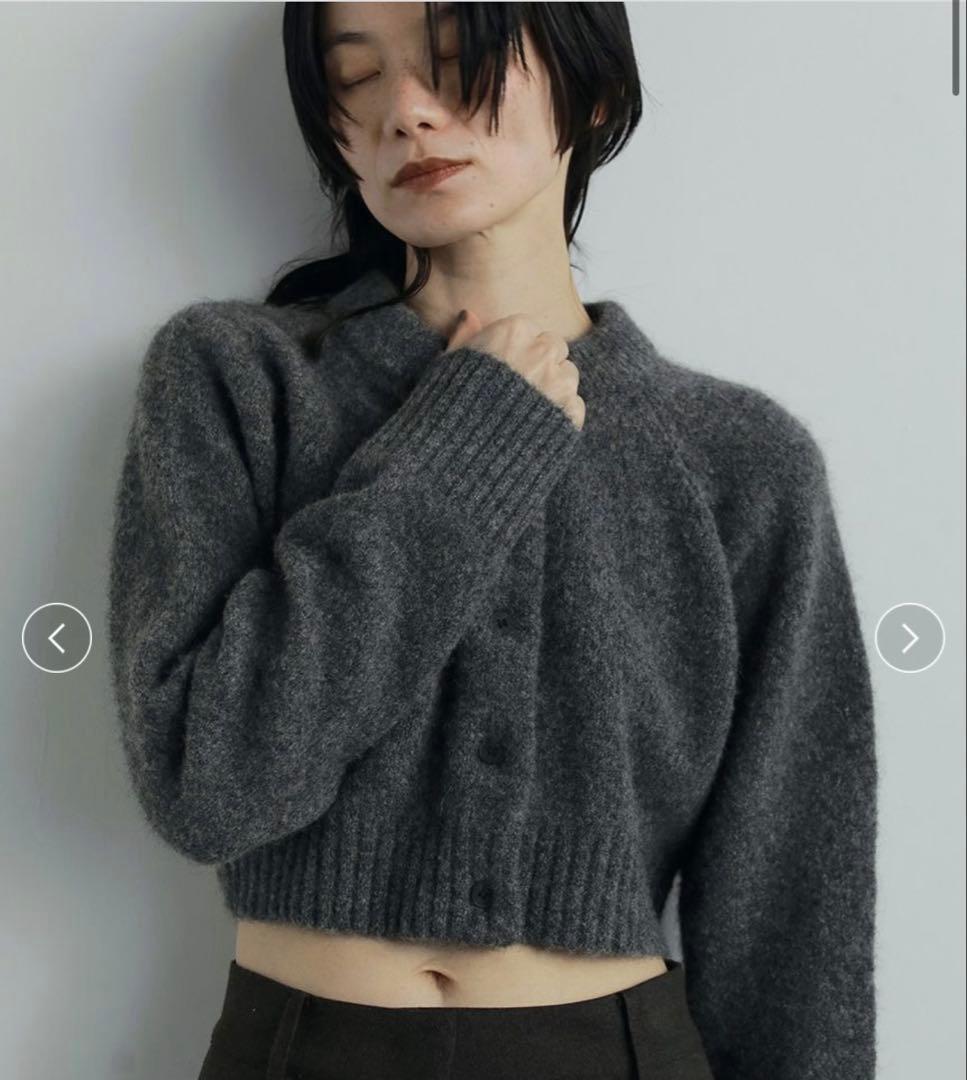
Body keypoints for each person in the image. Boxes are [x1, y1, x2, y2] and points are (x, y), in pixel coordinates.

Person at [106, 3, 878, 1078]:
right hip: (303, 1047)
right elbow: (208, 785)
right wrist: (462, 450)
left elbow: (793, 901)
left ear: (593, 90)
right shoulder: (237, 378)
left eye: (455, 61)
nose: (405, 113)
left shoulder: (742, 461)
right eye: (355, 78)